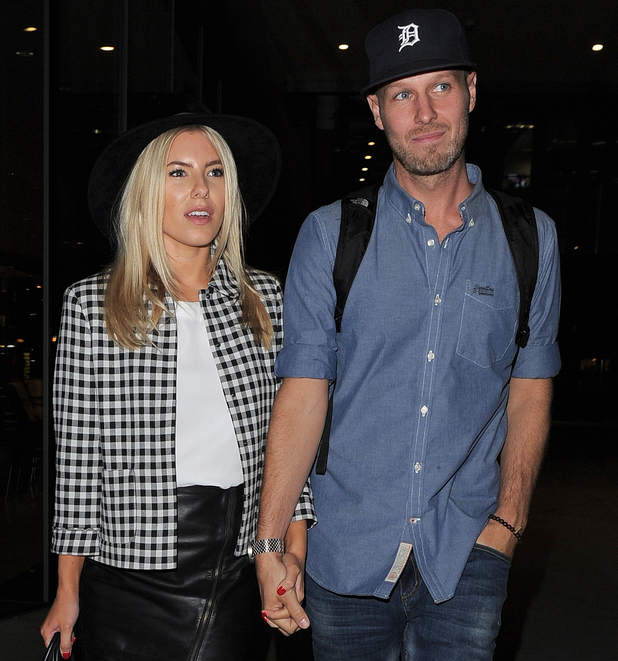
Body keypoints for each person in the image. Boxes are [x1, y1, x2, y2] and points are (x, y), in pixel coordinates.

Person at [255, 8, 560, 661]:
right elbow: (303, 392)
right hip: (345, 554)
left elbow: (530, 389)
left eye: (440, 87)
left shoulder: (531, 238)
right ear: (376, 110)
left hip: (467, 555)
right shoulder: (330, 234)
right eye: (402, 94)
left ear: (471, 91)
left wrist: (509, 522)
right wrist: (270, 540)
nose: (424, 112)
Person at [40, 112, 314, 661]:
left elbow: (292, 440)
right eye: (177, 173)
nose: (200, 190)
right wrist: (66, 591)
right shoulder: (92, 305)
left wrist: (292, 555)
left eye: (215, 173)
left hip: (234, 560)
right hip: (123, 572)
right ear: (146, 191)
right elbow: (76, 462)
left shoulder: (264, 298)